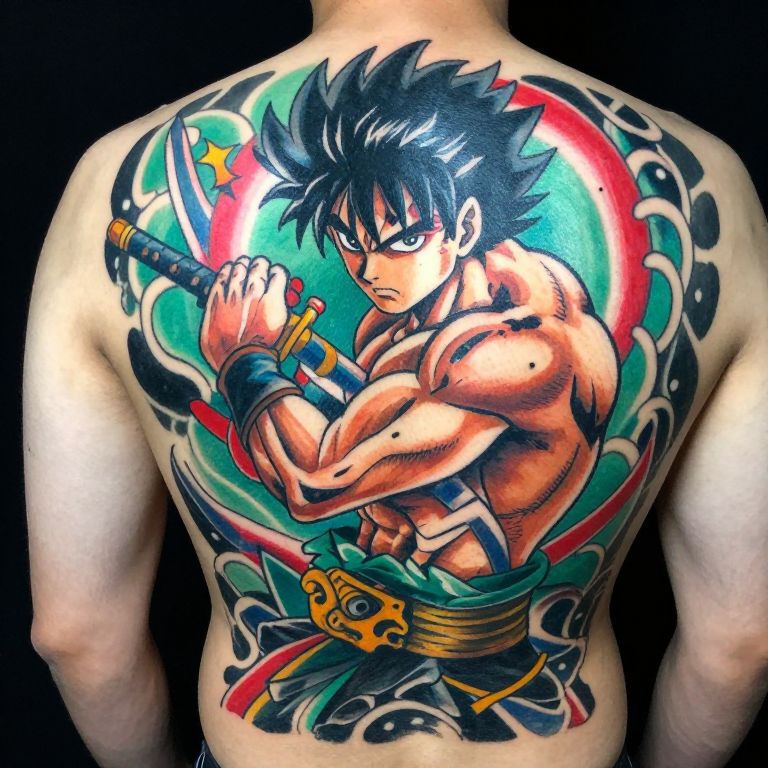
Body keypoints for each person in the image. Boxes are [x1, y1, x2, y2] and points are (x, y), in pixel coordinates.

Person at [23, 1, 768, 767]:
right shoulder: (708, 181)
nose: (373, 273)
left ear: (467, 225)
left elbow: (85, 633)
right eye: (351, 244)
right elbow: (738, 645)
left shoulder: (517, 354)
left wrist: (245, 358)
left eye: (402, 239)